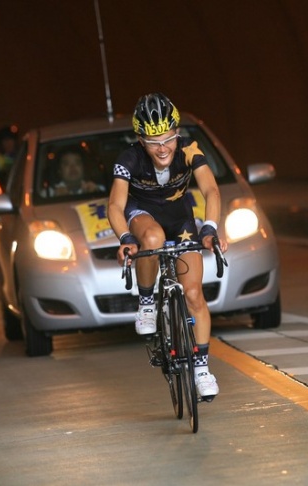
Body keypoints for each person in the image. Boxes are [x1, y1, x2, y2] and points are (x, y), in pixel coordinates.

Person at [108, 92, 228, 400]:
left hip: (180, 219)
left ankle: (201, 369)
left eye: (168, 139)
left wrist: (211, 228)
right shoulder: (129, 159)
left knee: (193, 295)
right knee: (152, 239)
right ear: (140, 139)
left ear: (177, 133)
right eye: (153, 141)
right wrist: (124, 238)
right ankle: (147, 301)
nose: (162, 149)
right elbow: (115, 205)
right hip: (143, 216)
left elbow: (211, 190)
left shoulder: (189, 149)